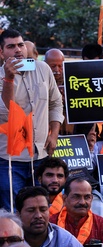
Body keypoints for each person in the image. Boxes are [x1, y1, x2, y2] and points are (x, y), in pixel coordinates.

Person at [0, 29, 64, 211]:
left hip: (41, 155)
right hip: (10, 160)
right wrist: (8, 80)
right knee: (13, 212)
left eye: (20, 45)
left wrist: (54, 134)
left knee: (41, 211)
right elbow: (6, 114)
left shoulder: (42, 68)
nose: (18, 50)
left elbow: (56, 103)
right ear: (1, 52)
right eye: (11, 47)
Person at [50, 177, 103, 247]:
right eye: (76, 197)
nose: (82, 202)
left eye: (87, 197)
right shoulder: (52, 224)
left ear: (91, 199)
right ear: (64, 199)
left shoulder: (102, 225)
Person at [15, 186, 82, 247]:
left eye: (43, 210)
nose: (38, 216)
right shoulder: (9, 239)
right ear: (18, 214)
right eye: (31, 210)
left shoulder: (66, 241)